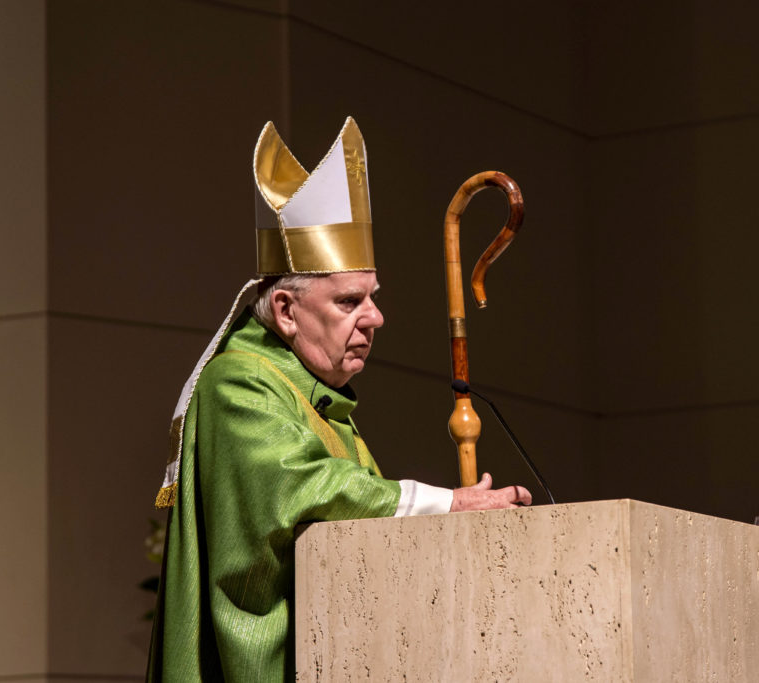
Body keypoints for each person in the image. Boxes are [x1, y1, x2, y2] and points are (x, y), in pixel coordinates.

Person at [146, 117, 531, 682]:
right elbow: (303, 487)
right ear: (284, 310)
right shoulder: (239, 385)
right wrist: (446, 505)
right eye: (350, 301)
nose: (376, 318)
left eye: (372, 298)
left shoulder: (313, 396)